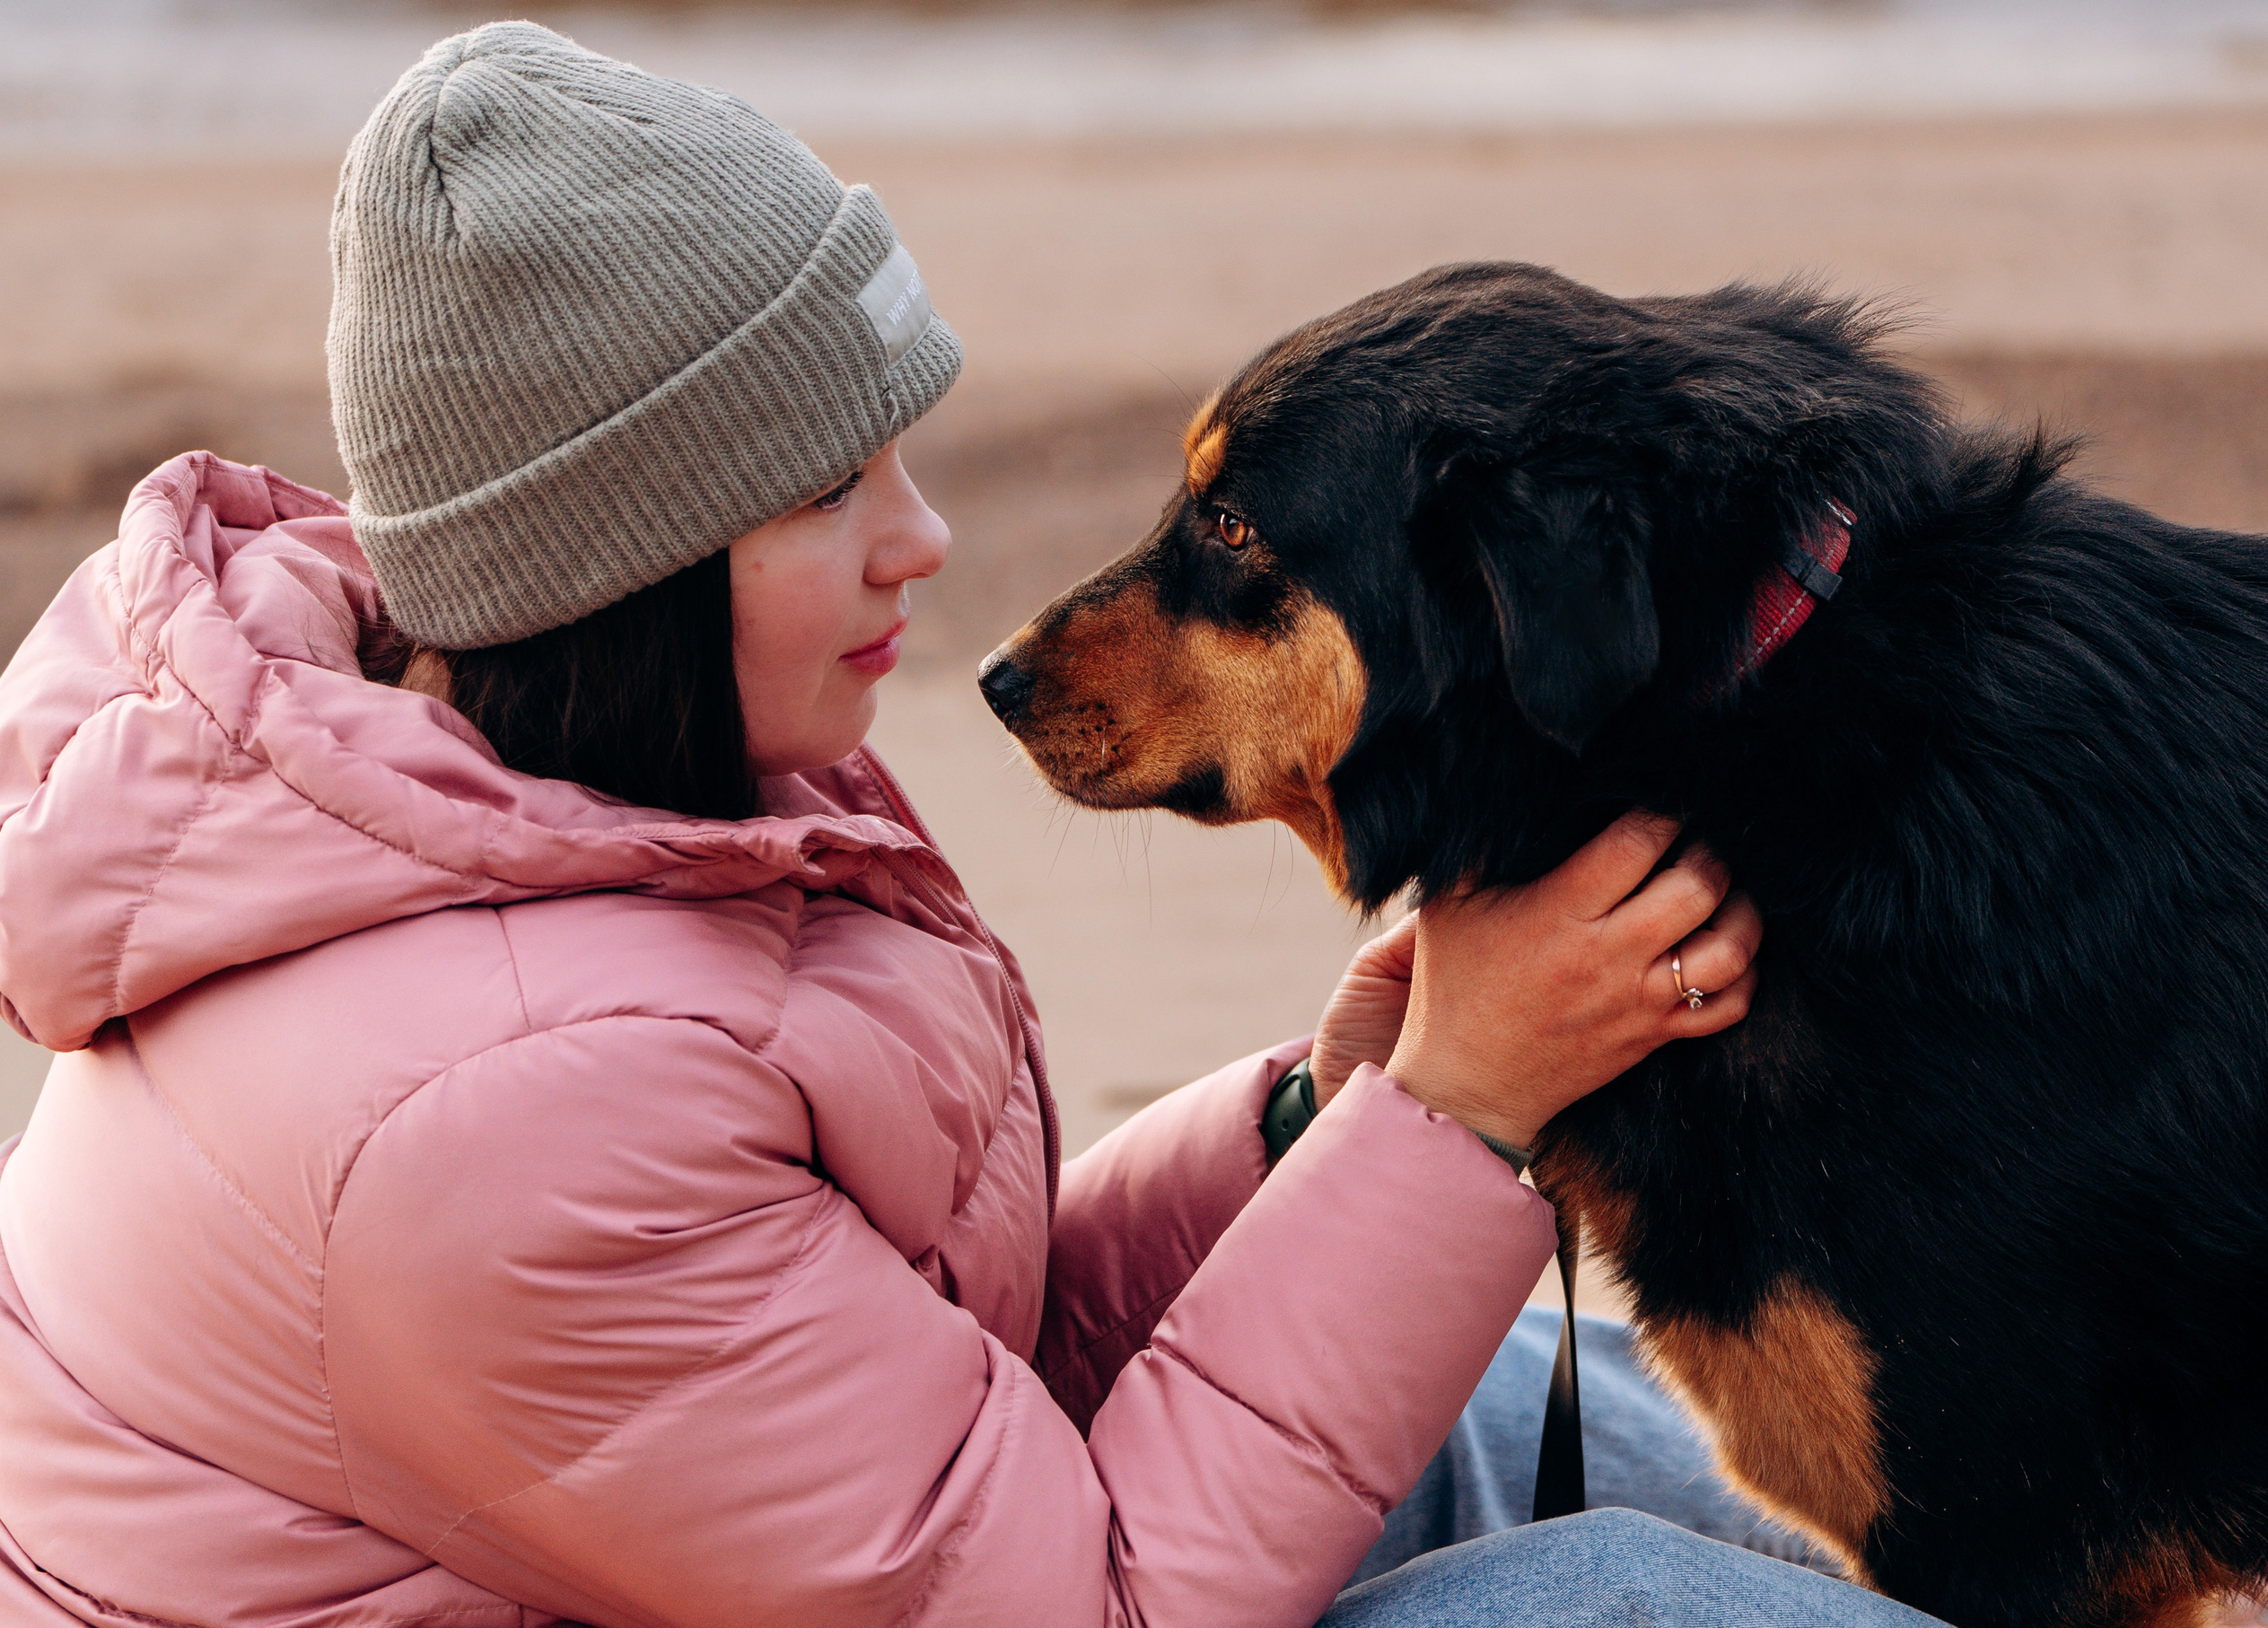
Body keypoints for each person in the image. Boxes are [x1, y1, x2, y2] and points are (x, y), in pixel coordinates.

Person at [0, 23, 1940, 1628]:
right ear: (630, 565)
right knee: (1599, 1594)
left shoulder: (592, 782)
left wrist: (1310, 1128)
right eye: (832, 487)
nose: (923, 542)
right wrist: (1461, 1110)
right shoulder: (485, 1124)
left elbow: (930, 1383)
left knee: (1529, 1401)